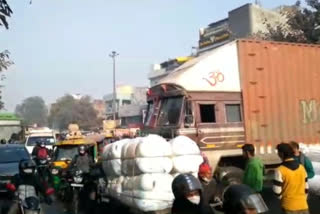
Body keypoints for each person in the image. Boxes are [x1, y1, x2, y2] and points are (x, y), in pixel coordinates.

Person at [273, 143, 309, 214]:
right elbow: (306, 187)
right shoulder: (301, 168)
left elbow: (277, 191)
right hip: (303, 205)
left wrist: (284, 199)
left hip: (288, 206)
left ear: (281, 154)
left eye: (278, 152)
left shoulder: (280, 170)